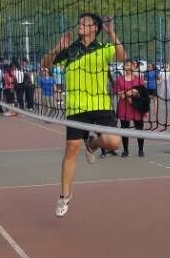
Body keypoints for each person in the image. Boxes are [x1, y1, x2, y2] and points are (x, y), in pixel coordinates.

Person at [43, 13, 125, 218]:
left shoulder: (104, 48)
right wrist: (57, 48)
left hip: (101, 104)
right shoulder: (70, 50)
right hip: (76, 107)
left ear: (94, 28)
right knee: (71, 149)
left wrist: (111, 33)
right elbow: (45, 64)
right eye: (79, 22)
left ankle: (92, 144)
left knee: (114, 143)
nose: (80, 25)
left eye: (85, 23)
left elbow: (122, 56)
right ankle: (64, 195)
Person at [114, 59, 147, 157]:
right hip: (124, 107)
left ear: (134, 67)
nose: (129, 67)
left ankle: (141, 150)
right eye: (127, 65)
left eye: (131, 65)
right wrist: (131, 92)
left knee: (139, 129)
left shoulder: (139, 79)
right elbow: (121, 95)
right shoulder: (119, 80)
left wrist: (128, 92)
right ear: (124, 67)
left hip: (137, 107)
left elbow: (139, 93)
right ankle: (125, 150)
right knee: (124, 129)